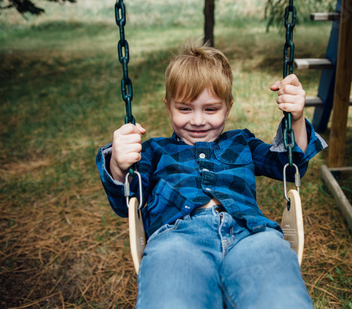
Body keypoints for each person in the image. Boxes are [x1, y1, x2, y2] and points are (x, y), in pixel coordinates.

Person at [96, 38, 327, 308]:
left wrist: (296, 119)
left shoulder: (241, 143)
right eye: (184, 108)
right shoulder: (154, 151)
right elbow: (125, 201)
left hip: (251, 234)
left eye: (211, 109)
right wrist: (119, 164)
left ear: (228, 107)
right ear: (168, 106)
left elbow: (289, 164)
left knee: (281, 298)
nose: (197, 120)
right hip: (177, 239)